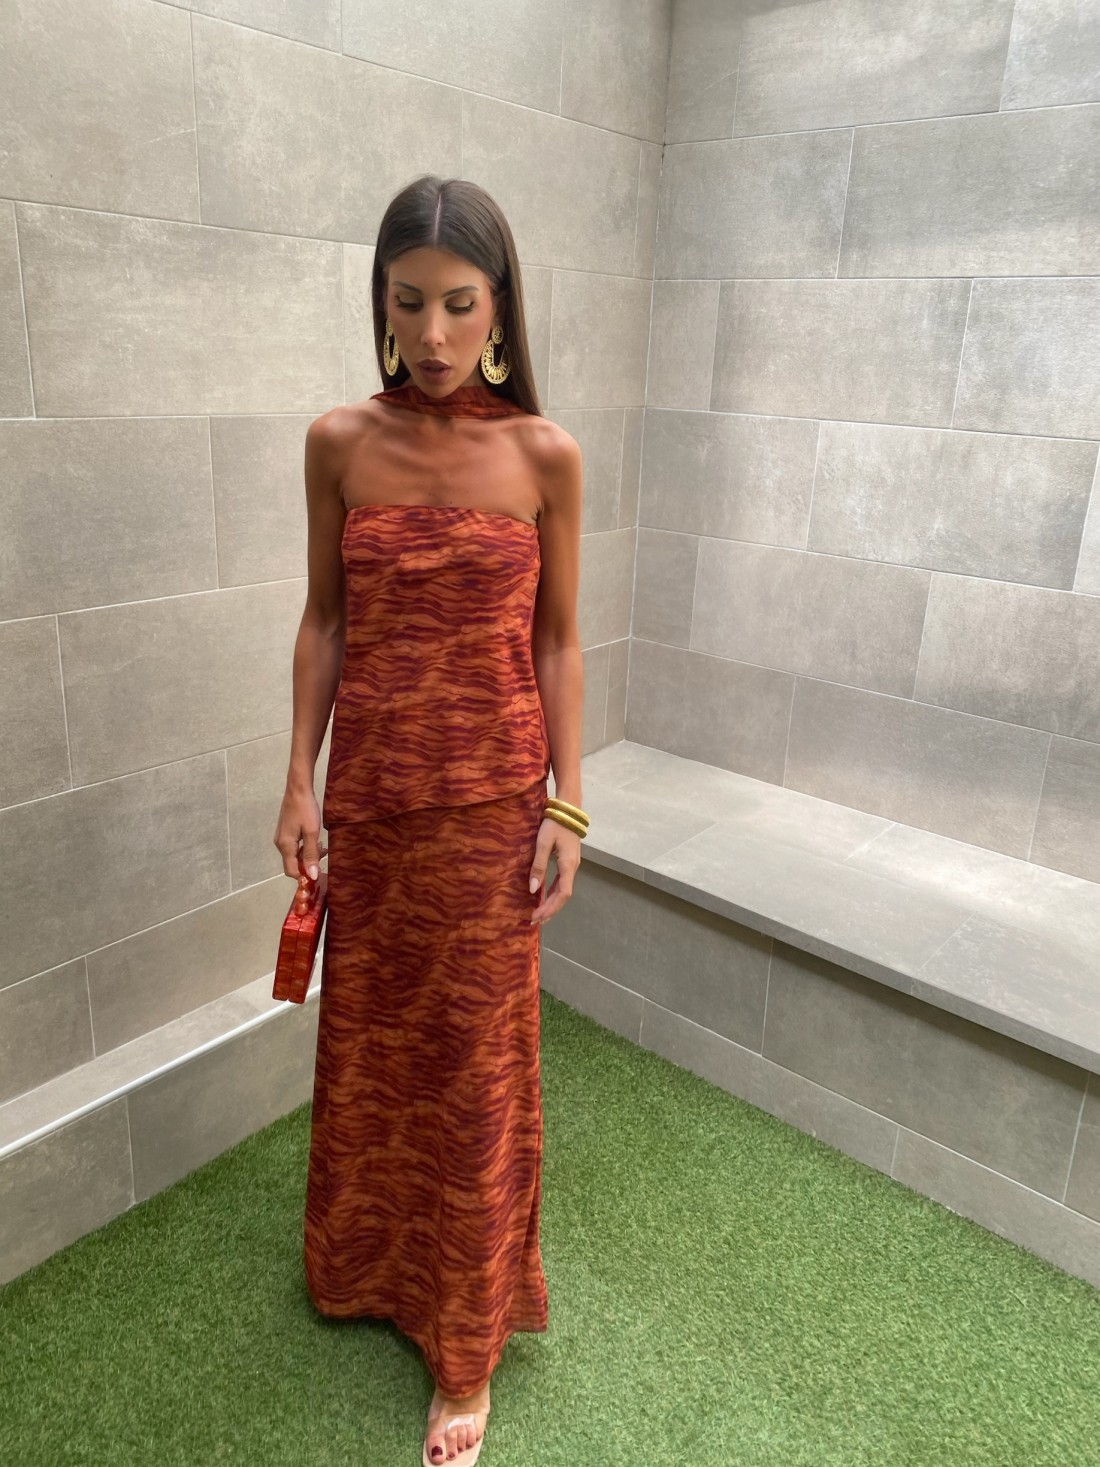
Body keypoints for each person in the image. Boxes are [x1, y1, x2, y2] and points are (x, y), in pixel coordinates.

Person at [272, 174, 588, 1467]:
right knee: (372, 1050)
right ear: (382, 303)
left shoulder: (544, 455)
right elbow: (325, 621)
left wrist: (569, 801)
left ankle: (466, 1348)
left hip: (492, 813)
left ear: (500, 307)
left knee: (472, 1073)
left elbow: (558, 640)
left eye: (460, 305)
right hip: (375, 801)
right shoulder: (340, 443)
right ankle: (362, 1270)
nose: (434, 335)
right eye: (409, 304)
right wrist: (298, 779)